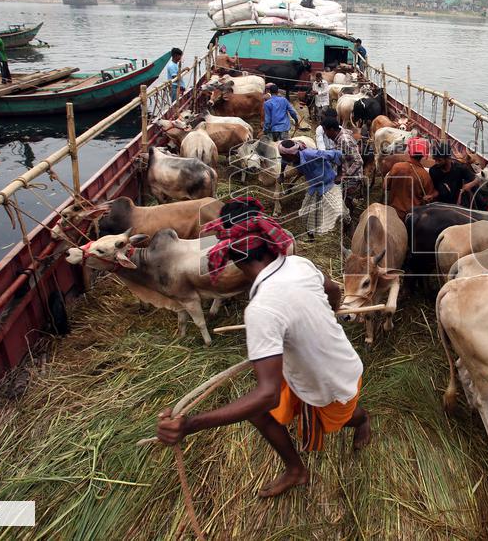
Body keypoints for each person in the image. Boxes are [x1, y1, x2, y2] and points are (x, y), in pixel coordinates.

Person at [156, 198, 370, 498]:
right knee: (258, 413)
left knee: (342, 416)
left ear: (232, 256)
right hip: (333, 365)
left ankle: (364, 420)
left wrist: (191, 424)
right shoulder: (300, 264)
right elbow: (333, 290)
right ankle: (296, 471)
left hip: (334, 382)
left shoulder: (260, 310)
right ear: (269, 239)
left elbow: (267, 394)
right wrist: (327, 312)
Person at [278, 140, 343, 237]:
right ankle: (311, 237)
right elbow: (283, 162)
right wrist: (281, 175)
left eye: (283, 156)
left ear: (291, 155)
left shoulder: (312, 154)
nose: (283, 158)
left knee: (339, 212)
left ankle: (347, 224)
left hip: (329, 184)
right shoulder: (290, 158)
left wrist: (339, 175)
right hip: (314, 186)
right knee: (305, 214)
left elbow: (338, 155)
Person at [384, 137, 437, 220]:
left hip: (394, 213)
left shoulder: (397, 167)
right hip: (412, 217)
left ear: (409, 152)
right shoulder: (425, 175)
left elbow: (385, 186)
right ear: (423, 155)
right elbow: (429, 199)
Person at [321, 118, 363, 217]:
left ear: (332, 130)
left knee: (346, 199)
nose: (325, 134)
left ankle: (349, 219)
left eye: (326, 131)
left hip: (352, 177)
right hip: (344, 172)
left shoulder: (345, 140)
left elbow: (358, 161)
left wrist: (344, 176)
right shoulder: (338, 138)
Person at [429, 141, 480, 207]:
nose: (436, 163)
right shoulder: (433, 170)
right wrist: (432, 196)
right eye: (435, 160)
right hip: (441, 204)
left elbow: (477, 179)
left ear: (448, 158)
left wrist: (470, 185)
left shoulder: (460, 168)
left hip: (457, 204)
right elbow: (437, 190)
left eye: (439, 160)